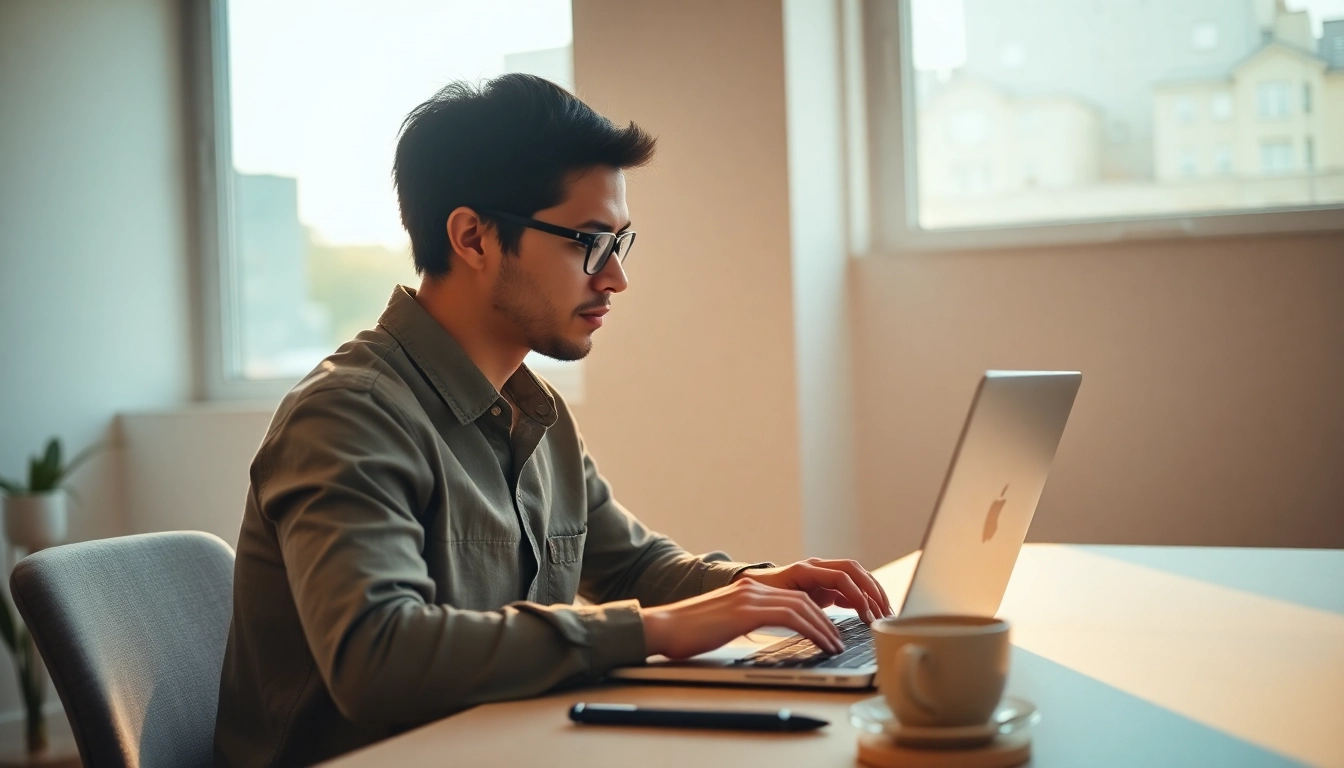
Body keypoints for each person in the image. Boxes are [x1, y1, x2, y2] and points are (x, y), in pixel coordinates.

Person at [213, 74, 892, 767]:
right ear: (473, 238)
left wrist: (756, 587)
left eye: (619, 244)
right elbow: (378, 655)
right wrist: (656, 628)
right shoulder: (348, 415)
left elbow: (632, 565)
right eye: (588, 242)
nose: (614, 278)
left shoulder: (533, 412)